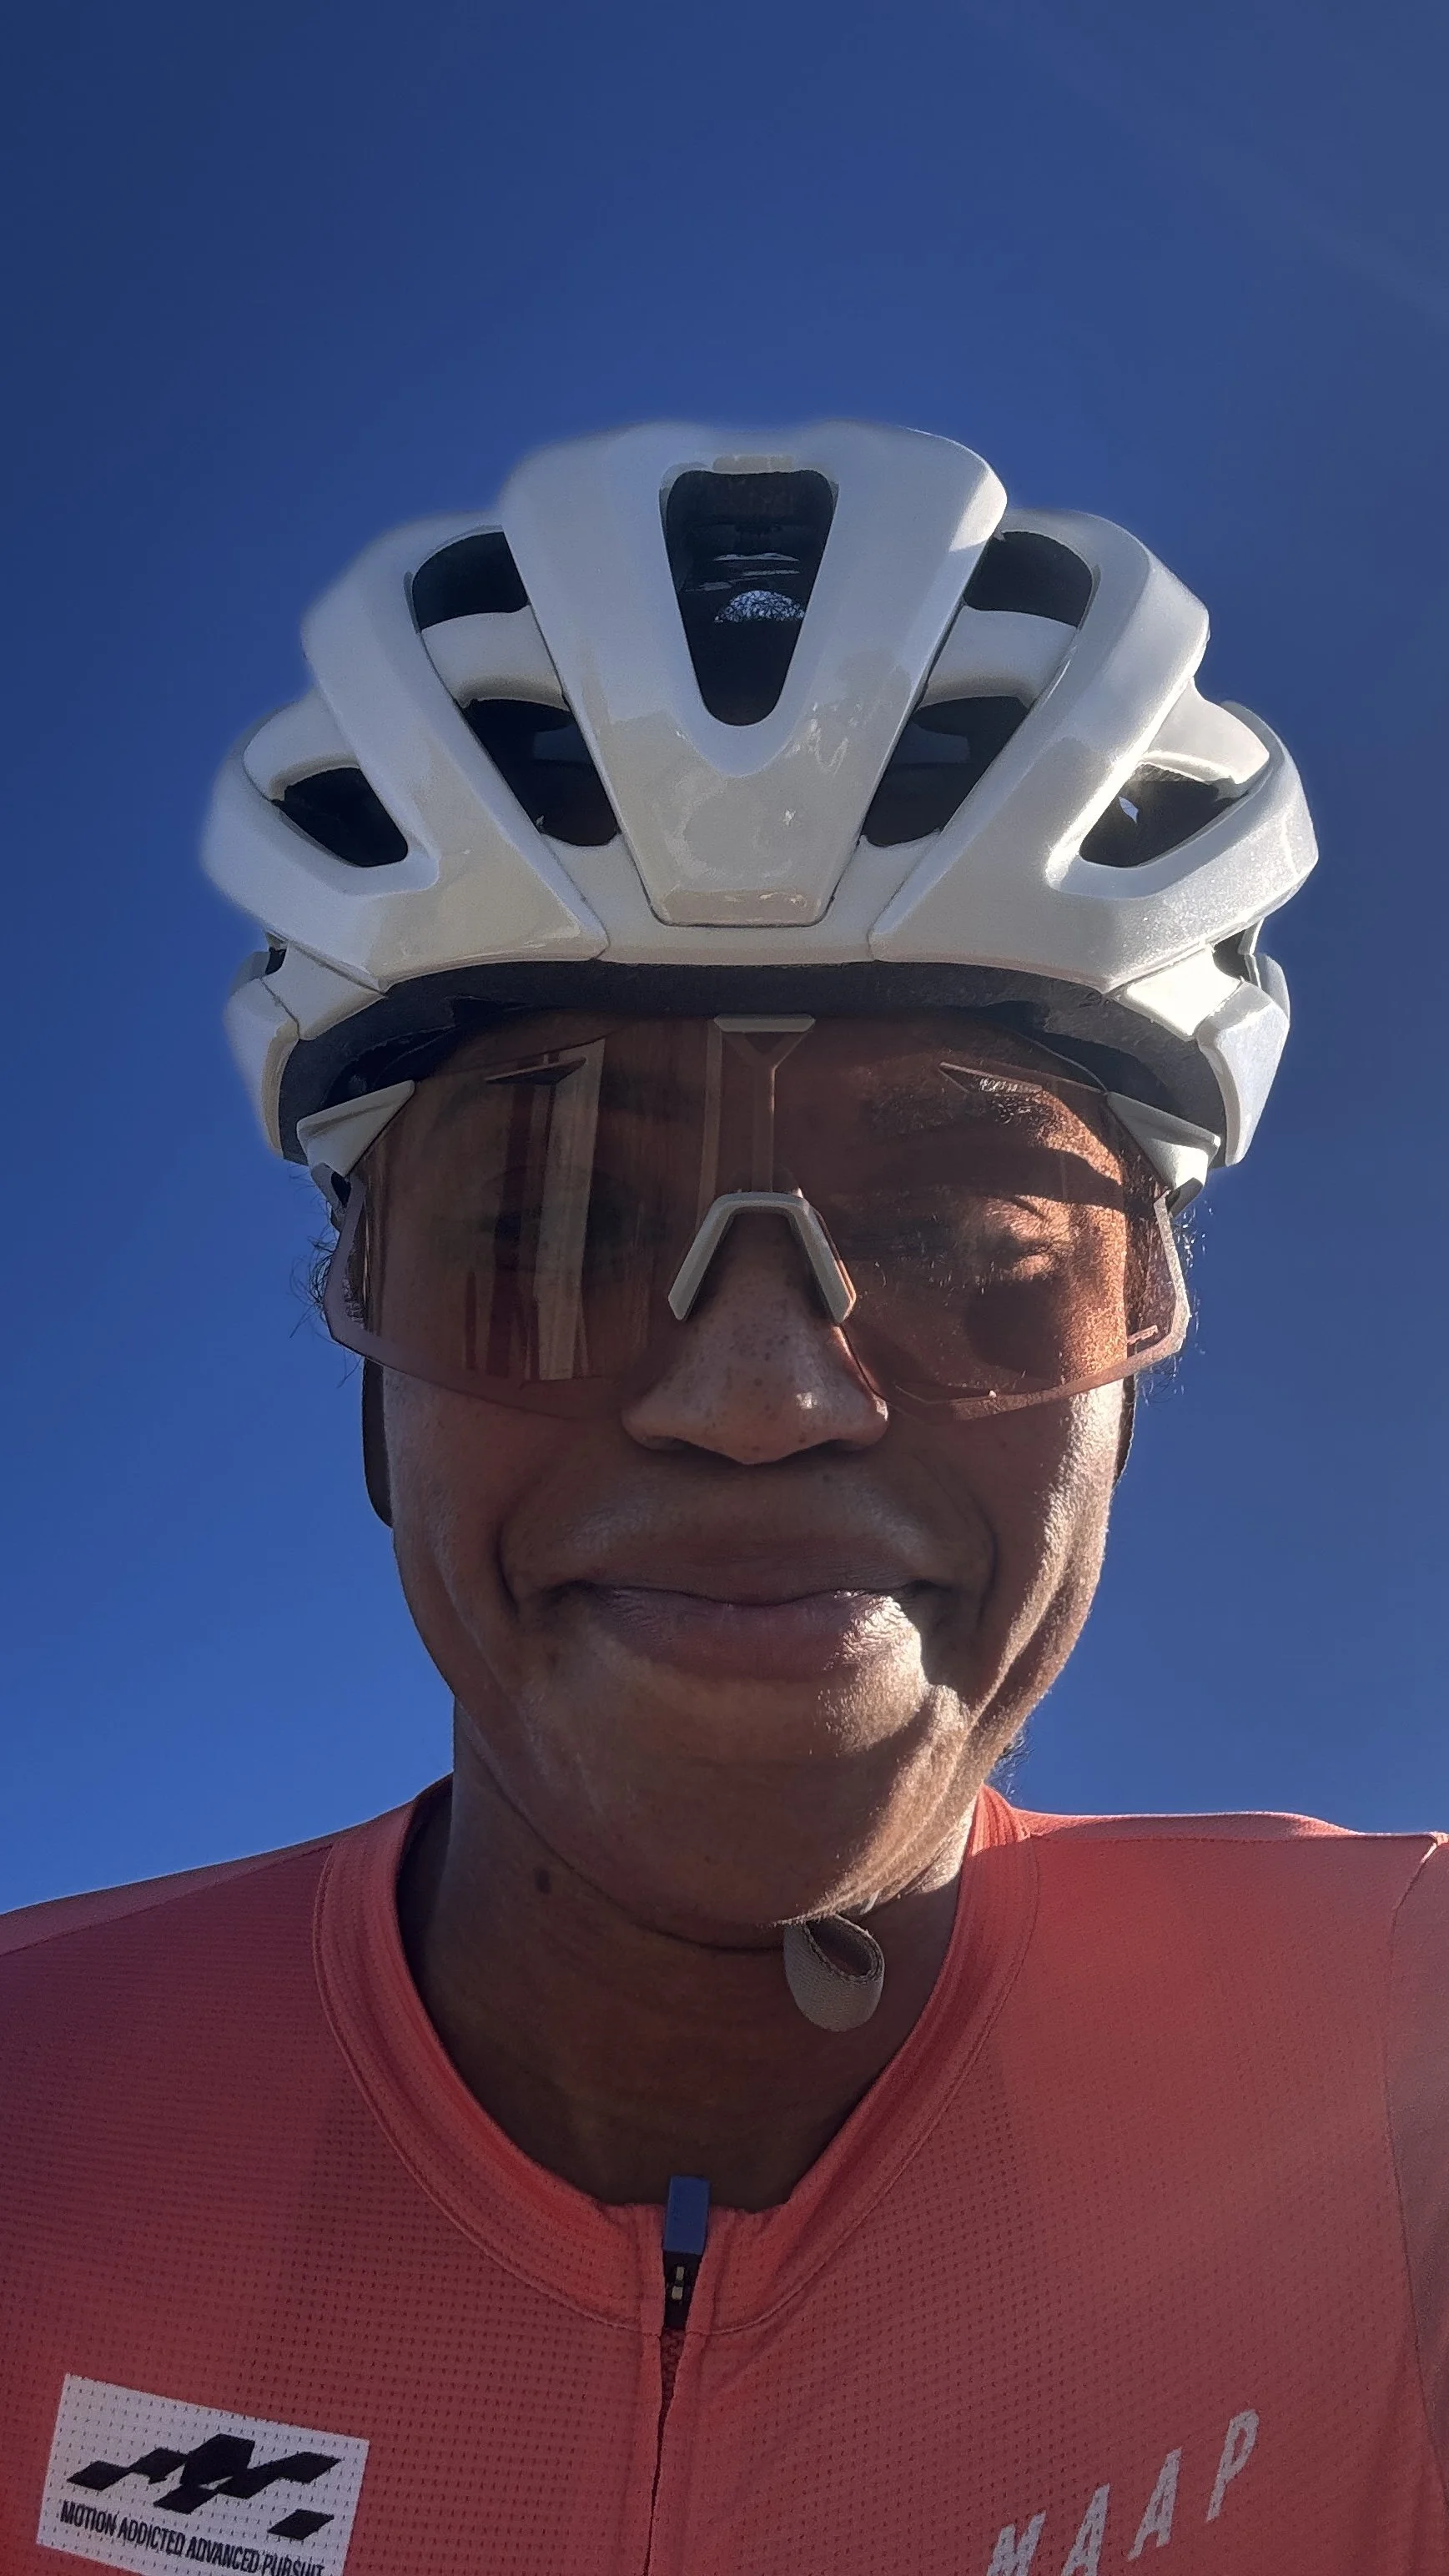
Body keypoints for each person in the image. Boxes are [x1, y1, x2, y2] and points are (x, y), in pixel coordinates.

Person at [2, 420, 1443, 2576]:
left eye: (970, 1245)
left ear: (1130, 1385)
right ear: (373, 1390)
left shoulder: (1403, 2080)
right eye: (550, 1230)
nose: (762, 1401)